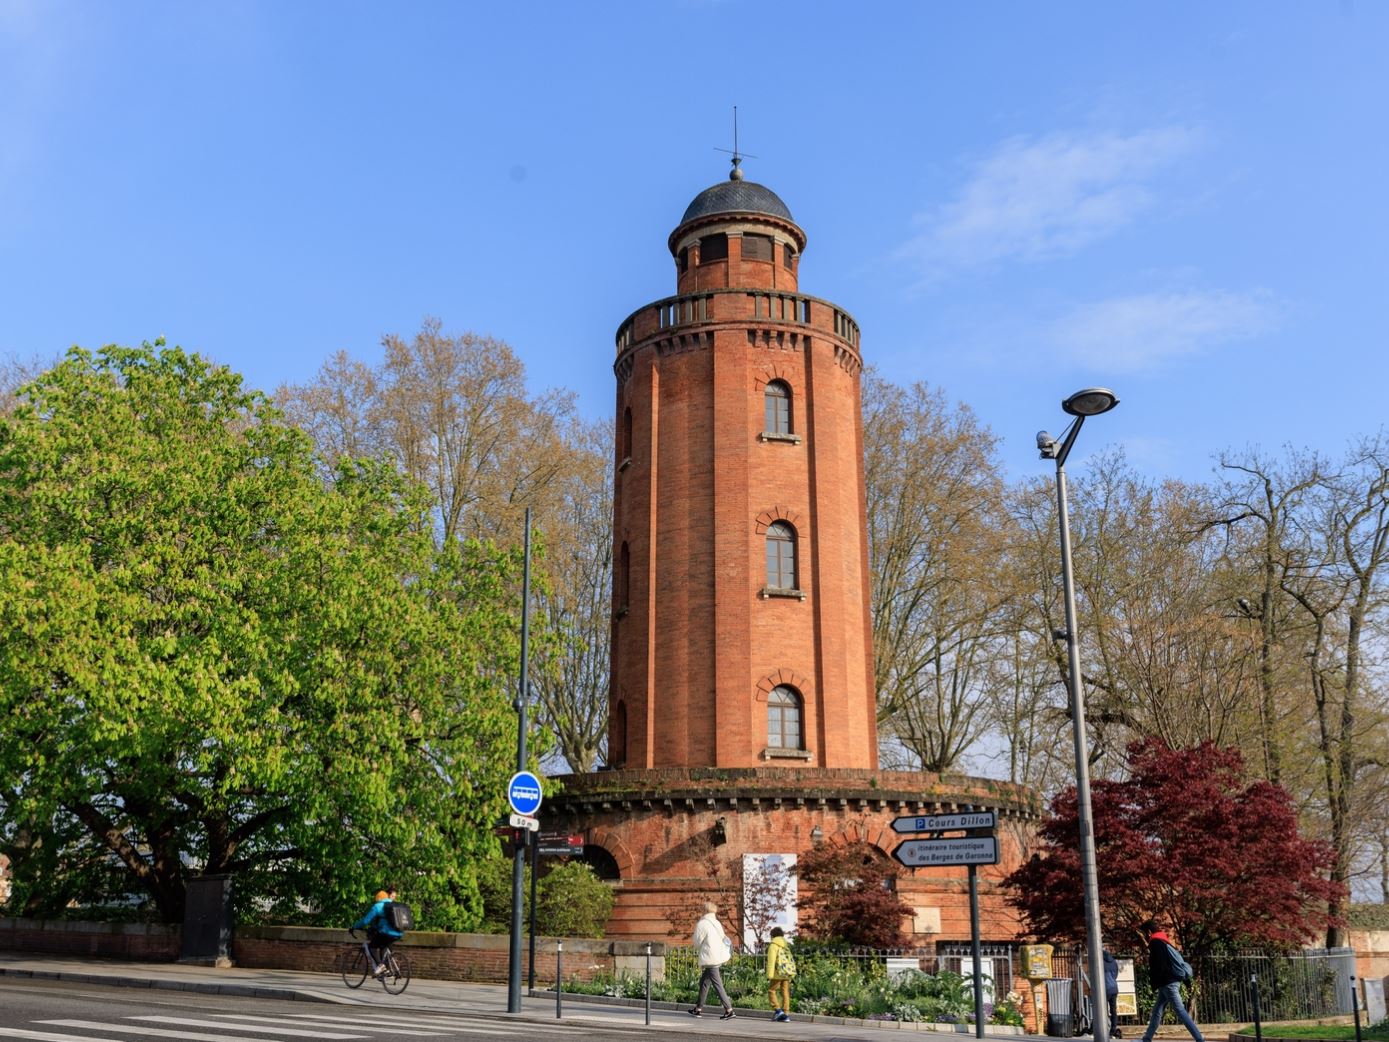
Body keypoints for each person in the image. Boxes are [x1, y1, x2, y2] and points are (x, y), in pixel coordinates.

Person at [1140, 918, 1204, 1042]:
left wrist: (1155, 980)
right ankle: (1147, 1038)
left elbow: (1161, 966)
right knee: (1157, 1011)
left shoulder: (1155, 943)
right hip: (1168, 983)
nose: (1143, 937)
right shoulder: (1164, 942)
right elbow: (1174, 963)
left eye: (1143, 934)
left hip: (1168, 984)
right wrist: (1186, 981)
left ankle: (1199, 1039)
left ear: (1148, 932)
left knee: (1180, 1011)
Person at [688, 901, 736, 1020]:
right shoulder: (716, 923)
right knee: (704, 983)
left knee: (717, 984)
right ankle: (698, 1009)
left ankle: (729, 1010)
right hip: (717, 956)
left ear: (704, 910)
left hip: (710, 958)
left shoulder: (702, 924)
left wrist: (699, 946)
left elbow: (697, 942)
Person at [351, 885, 403, 977]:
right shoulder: (394, 905)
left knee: (372, 947)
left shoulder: (378, 906)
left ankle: (381, 966)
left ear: (378, 899)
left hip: (386, 932)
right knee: (383, 947)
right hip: (398, 933)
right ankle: (388, 970)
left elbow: (366, 920)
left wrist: (355, 926)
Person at [765, 926, 794, 1022]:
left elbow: (771, 961)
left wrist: (769, 975)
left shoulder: (773, 945)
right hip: (786, 972)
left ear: (772, 935)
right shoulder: (785, 945)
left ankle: (778, 1010)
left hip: (777, 973)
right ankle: (786, 1014)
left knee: (771, 990)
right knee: (785, 992)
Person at [1104, 948, 1120, 1038]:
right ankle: (1113, 1029)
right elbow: (1116, 974)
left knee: (1101, 1010)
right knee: (1113, 1010)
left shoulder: (1101, 962)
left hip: (1105, 989)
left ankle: (1100, 1028)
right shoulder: (1114, 962)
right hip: (1114, 988)